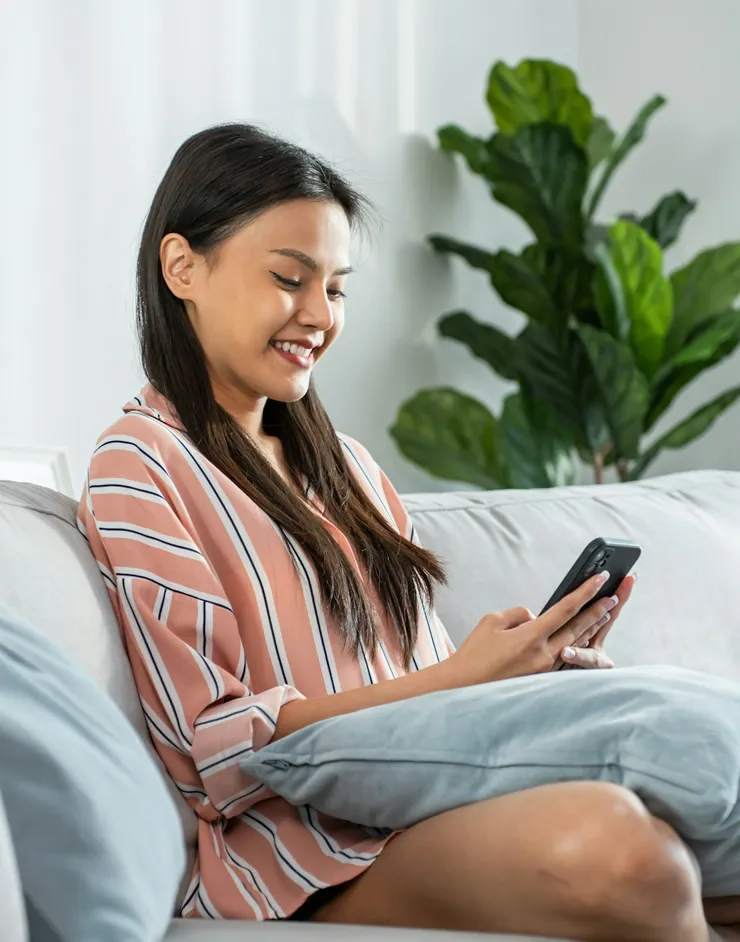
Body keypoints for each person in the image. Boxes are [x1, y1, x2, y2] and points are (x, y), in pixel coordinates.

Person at [77, 123, 739, 942]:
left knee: (686, 833)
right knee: (626, 856)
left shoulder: (347, 469)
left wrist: (523, 673)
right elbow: (216, 750)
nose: (320, 315)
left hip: (429, 800)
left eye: (339, 288)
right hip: (299, 845)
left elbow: (424, 685)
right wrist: (460, 678)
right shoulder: (141, 466)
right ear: (183, 267)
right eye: (290, 278)